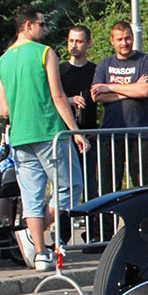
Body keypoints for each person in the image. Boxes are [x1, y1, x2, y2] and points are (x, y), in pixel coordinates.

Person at [0, 7, 89, 271]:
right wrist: (75, 131)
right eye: (42, 25)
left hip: (20, 135)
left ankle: (40, 253)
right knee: (71, 186)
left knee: (31, 195)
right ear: (29, 25)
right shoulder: (45, 53)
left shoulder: (4, 60)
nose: (45, 30)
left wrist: (17, 109)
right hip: (49, 132)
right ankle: (39, 230)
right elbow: (57, 96)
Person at [91, 21, 148, 193]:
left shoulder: (146, 60)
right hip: (110, 134)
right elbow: (96, 95)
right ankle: (108, 221)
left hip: (140, 133)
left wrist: (111, 87)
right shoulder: (104, 64)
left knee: (144, 187)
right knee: (108, 189)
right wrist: (132, 87)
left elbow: (145, 91)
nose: (124, 43)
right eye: (119, 39)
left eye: (127, 38)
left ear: (133, 38)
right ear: (111, 41)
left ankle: (144, 220)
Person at [57, 25, 98, 201]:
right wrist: (69, 100)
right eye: (71, 41)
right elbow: (50, 98)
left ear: (88, 43)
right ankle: (65, 224)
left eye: (79, 41)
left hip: (89, 132)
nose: (74, 45)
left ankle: (92, 225)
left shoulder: (96, 70)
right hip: (64, 134)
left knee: (91, 183)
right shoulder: (59, 71)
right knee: (66, 182)